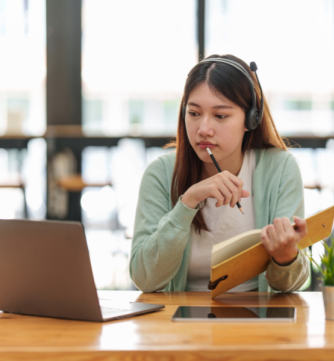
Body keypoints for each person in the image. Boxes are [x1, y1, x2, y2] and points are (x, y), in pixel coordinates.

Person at [130, 54, 309, 293]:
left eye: (220, 116)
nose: (203, 129)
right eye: (193, 113)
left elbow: (290, 285)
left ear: (251, 119)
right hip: (179, 320)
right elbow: (145, 278)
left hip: (257, 319)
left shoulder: (280, 169)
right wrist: (187, 202)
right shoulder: (161, 174)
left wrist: (286, 257)